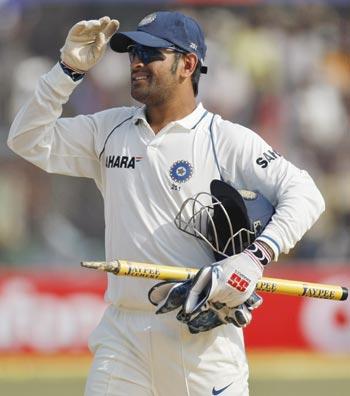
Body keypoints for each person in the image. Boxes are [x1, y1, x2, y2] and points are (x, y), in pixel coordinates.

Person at [8, 10, 325, 396]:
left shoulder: (224, 138)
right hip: (123, 337)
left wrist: (252, 259)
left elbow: (305, 194)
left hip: (201, 338)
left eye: (151, 53)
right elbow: (26, 140)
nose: (136, 62)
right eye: (132, 52)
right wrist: (66, 71)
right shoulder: (108, 130)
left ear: (187, 64)